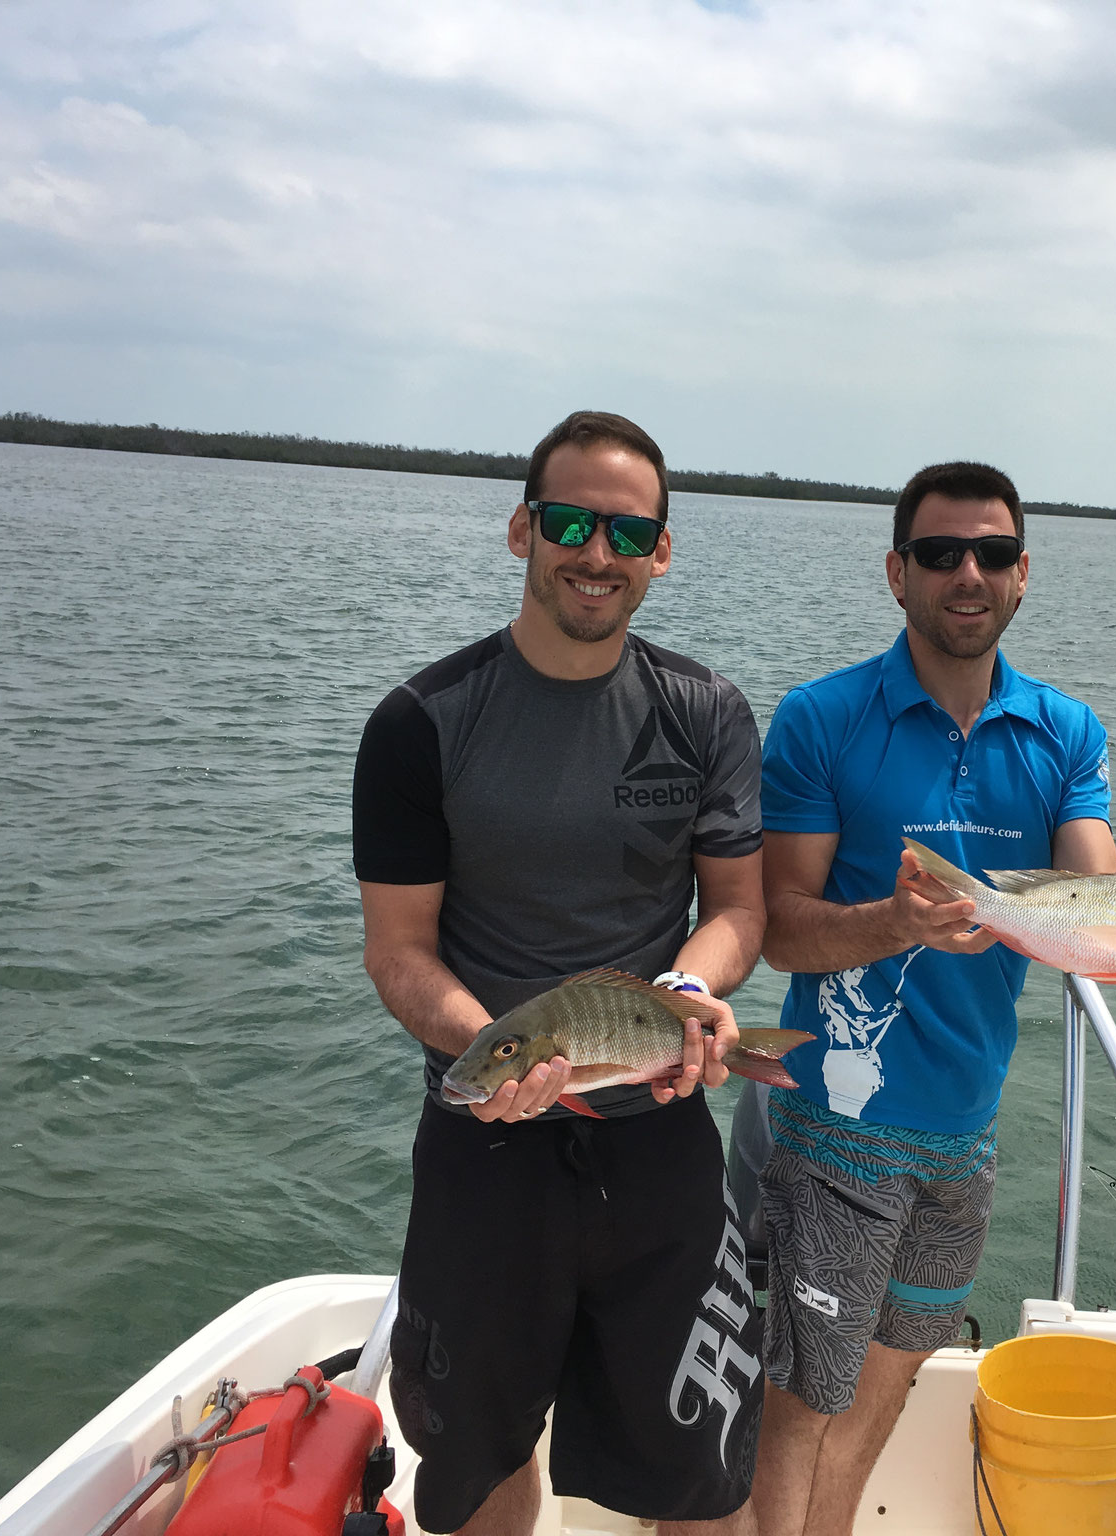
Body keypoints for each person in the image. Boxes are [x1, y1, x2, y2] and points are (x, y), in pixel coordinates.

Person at [744, 462, 1116, 1536]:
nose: (964, 573)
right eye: (938, 553)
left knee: (881, 1392)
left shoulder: (1064, 733)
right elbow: (776, 924)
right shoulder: (820, 718)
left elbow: (1098, 899)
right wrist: (891, 923)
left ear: (1023, 575)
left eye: (988, 553)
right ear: (897, 574)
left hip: (961, 1140)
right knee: (801, 1401)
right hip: (835, 1127)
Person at [352, 411, 766, 1536]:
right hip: (485, 1140)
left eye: (627, 532)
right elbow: (398, 951)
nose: (597, 554)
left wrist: (689, 991)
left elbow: (735, 912)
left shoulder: (706, 712)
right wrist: (492, 1046)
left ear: (661, 552)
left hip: (660, 1137)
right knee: (478, 1461)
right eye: (570, 523)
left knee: (699, 1466)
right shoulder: (418, 722)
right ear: (521, 531)